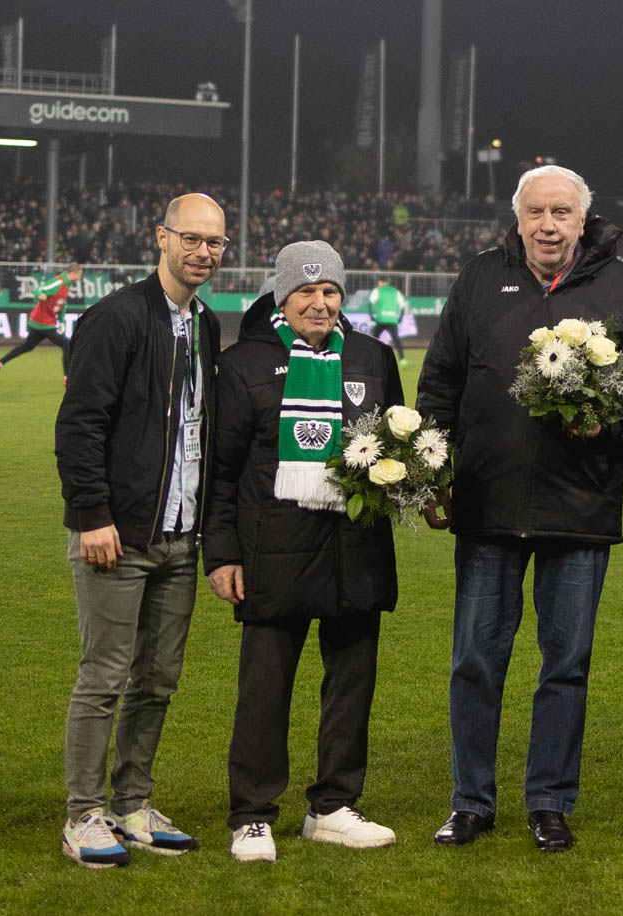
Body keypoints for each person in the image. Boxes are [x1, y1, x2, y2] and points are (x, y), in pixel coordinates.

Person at [417, 165, 623, 853]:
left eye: (562, 211)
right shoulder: (478, 277)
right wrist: (432, 473)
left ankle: (549, 803)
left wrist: (608, 422)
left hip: (578, 508)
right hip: (486, 504)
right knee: (475, 661)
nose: (548, 224)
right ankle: (470, 802)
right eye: (536, 211)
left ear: (583, 219)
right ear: (519, 217)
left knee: (565, 667)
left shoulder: (620, 283)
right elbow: (440, 379)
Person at [204, 241, 404, 864]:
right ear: (281, 299)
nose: (319, 304)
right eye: (306, 293)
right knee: (265, 689)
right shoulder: (243, 364)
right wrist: (222, 554)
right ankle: (253, 814)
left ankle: (333, 806)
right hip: (274, 548)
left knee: (352, 684)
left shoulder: (373, 356)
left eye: (330, 293)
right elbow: (221, 469)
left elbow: (396, 440)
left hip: (355, 546)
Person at [53, 196, 225, 868]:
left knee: (157, 679)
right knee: (104, 676)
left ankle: (132, 803)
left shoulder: (207, 325)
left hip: (179, 537)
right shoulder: (117, 317)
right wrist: (92, 513)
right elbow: (80, 424)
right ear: (162, 237)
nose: (204, 252)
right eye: (192, 238)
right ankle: (82, 814)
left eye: (215, 242)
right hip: (118, 534)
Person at [0, 263, 81, 382]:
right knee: (66, 344)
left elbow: (61, 304)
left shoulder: (67, 285)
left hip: (39, 321)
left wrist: (62, 321)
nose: (80, 277)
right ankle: (67, 378)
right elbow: (40, 289)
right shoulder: (59, 282)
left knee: (27, 346)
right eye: (79, 274)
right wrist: (40, 295)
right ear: (73, 273)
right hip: (44, 322)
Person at [368, 276, 408, 363]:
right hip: (392, 320)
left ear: (381, 282)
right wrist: (400, 317)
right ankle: (402, 359)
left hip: (381, 320)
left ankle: (371, 357)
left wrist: (371, 315)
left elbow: (370, 303)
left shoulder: (377, 291)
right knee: (396, 339)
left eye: (379, 282)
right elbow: (403, 306)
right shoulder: (396, 292)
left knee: (373, 339)